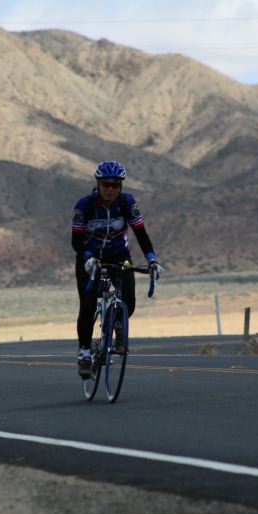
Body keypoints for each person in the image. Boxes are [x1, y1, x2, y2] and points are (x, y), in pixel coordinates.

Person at [71, 160, 160, 378]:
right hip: (90, 258)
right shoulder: (84, 206)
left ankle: (117, 325)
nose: (110, 189)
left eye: (115, 185)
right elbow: (76, 241)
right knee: (88, 305)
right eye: (106, 184)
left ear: (121, 186)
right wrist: (88, 258)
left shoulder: (128, 204)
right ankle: (84, 354)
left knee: (128, 300)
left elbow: (141, 234)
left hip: (120, 256)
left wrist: (151, 259)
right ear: (98, 184)